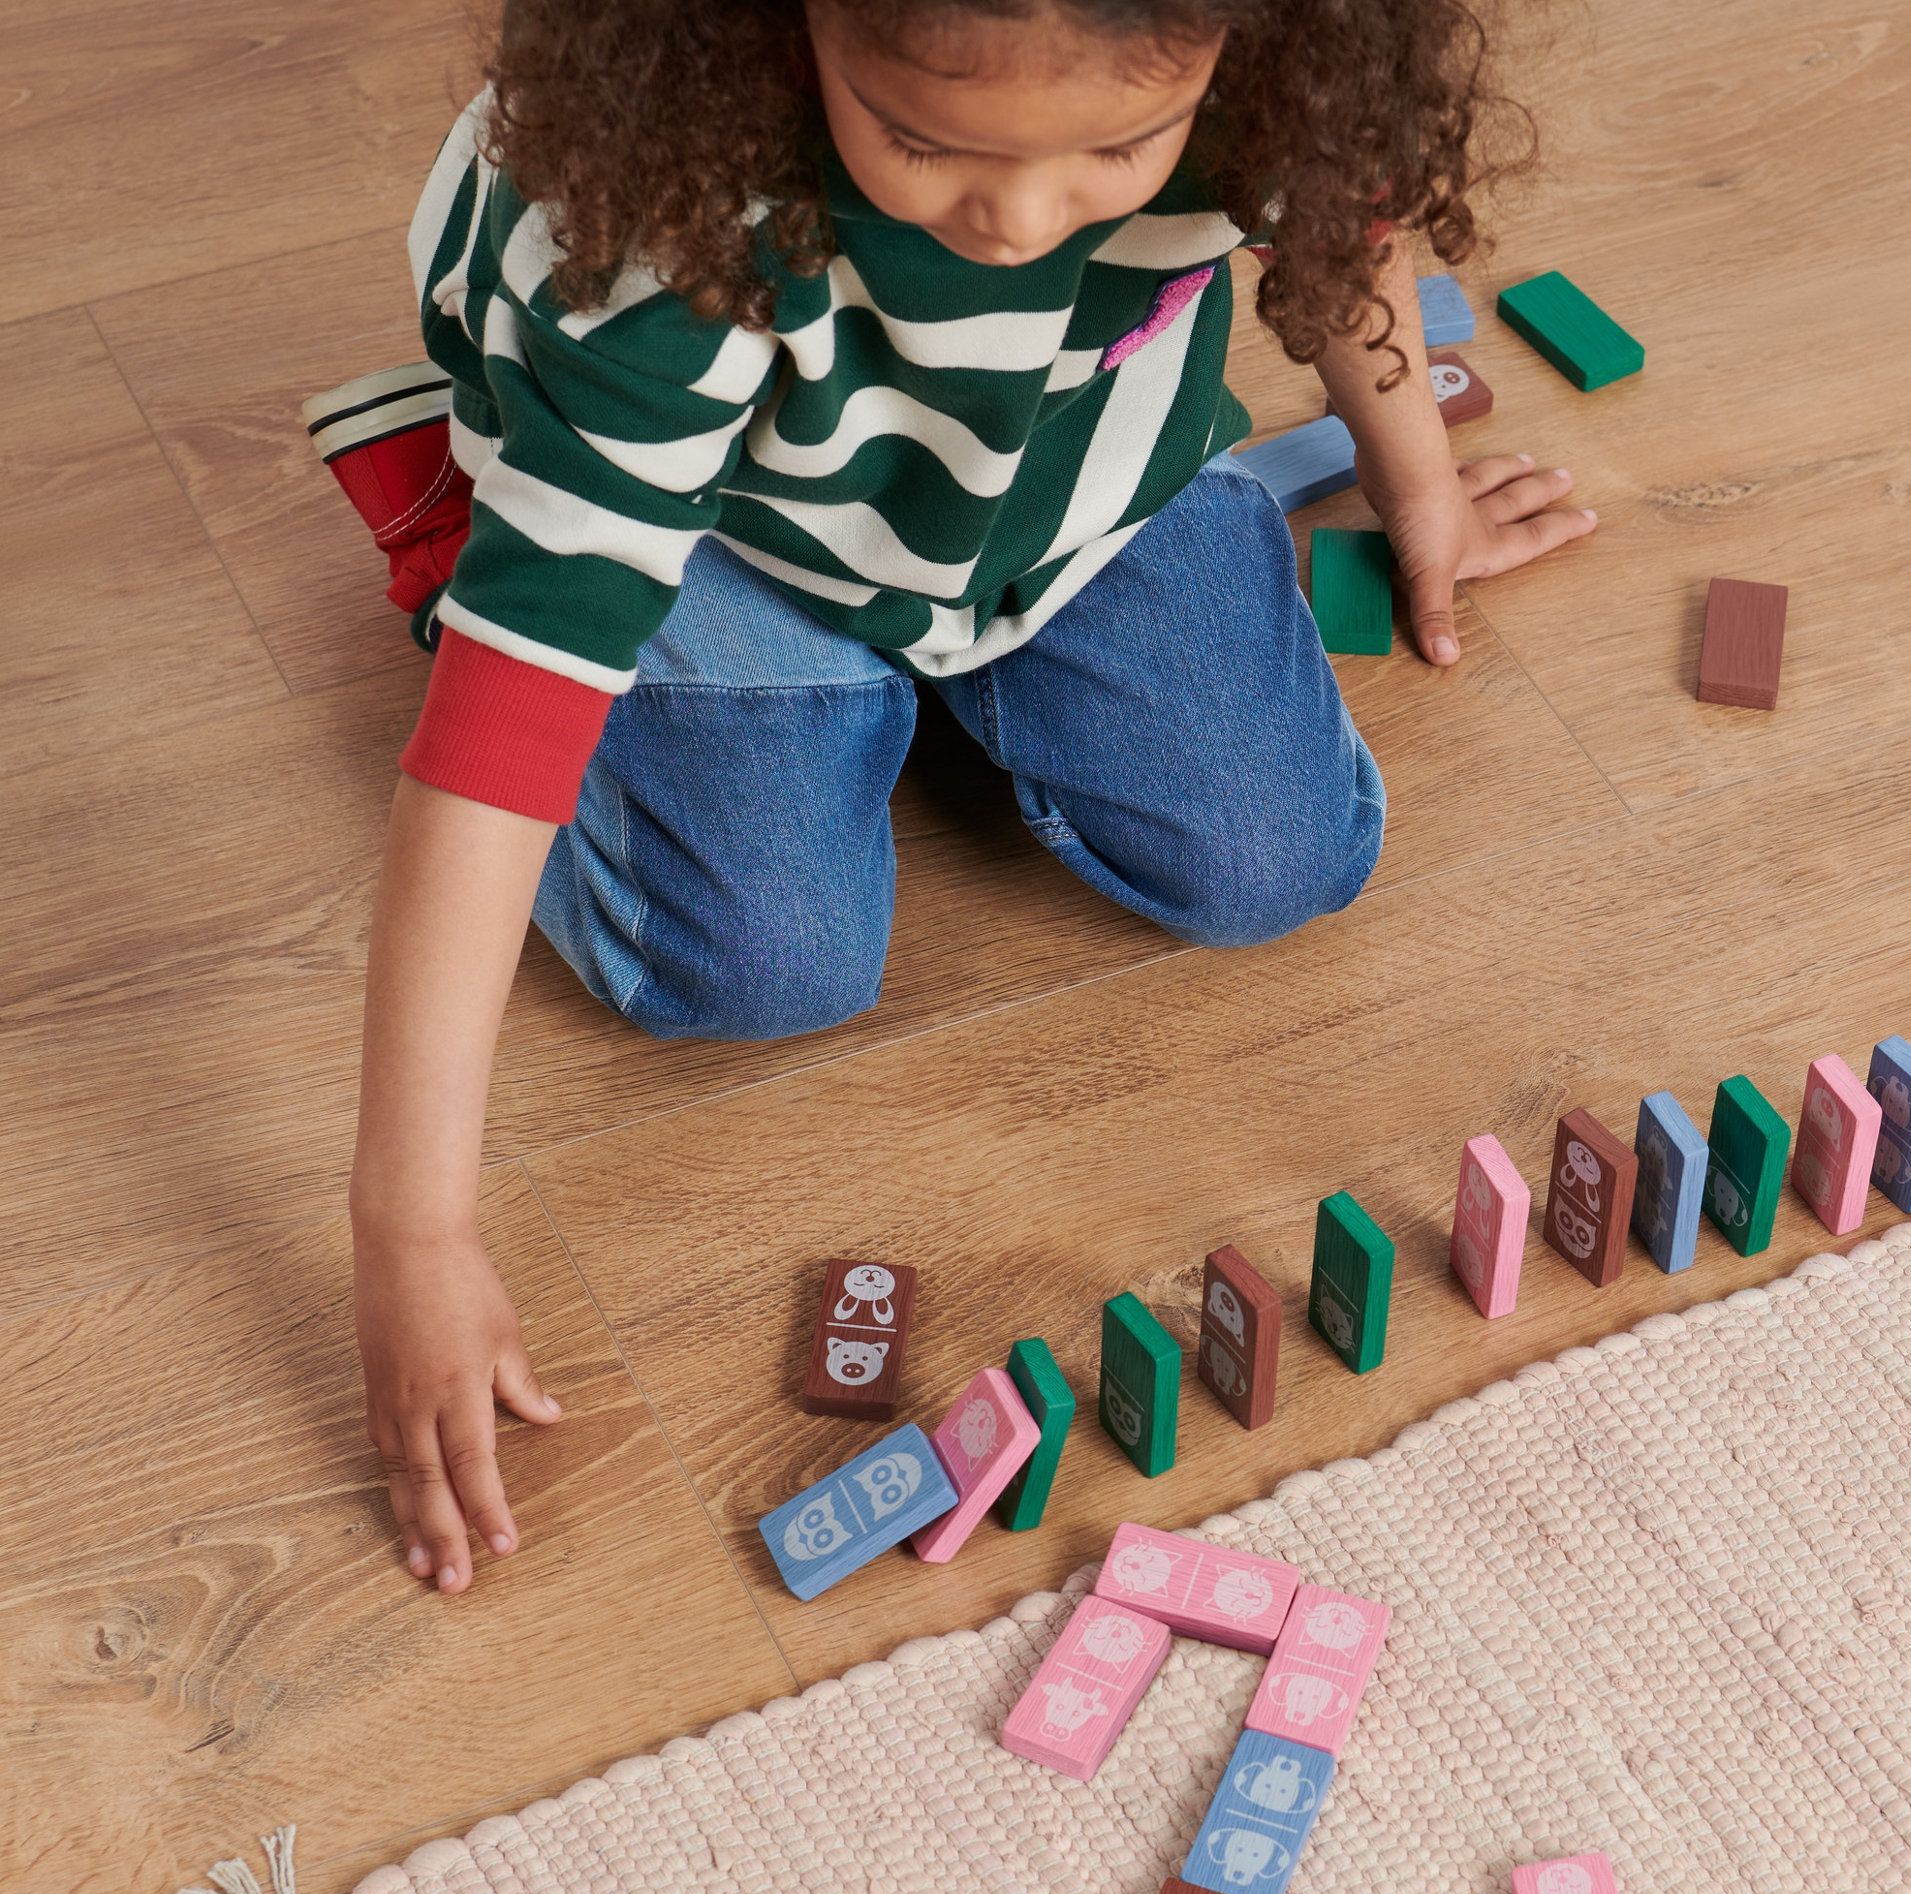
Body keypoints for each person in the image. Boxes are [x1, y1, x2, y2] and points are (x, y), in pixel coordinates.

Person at [336, 0, 1597, 1596]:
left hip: (1057, 479)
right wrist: (413, 1229)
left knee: (1286, 859)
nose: (1014, 222)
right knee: (754, 963)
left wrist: (1417, 490)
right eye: (925, 143)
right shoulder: (662, 229)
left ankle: (902, 671)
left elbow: (1340, 231)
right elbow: (503, 738)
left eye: (1115, 153)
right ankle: (478, 531)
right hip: (720, 517)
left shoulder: (1268, 75)